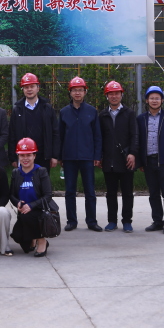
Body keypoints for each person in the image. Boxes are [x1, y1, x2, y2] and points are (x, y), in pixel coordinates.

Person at [59, 76, 103, 232]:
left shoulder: (92, 111)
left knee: (90, 191)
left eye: (80, 90)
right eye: (74, 90)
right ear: (70, 92)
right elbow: (60, 136)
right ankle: (71, 221)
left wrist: (97, 156)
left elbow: (97, 136)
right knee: (70, 191)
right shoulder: (64, 112)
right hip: (69, 157)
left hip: (87, 157)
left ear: (85, 92)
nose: (77, 93)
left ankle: (92, 221)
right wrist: (60, 157)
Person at [137, 86, 164, 235]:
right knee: (153, 194)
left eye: (157, 98)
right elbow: (139, 141)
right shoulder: (141, 119)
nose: (154, 101)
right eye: (151, 98)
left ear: (162, 100)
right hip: (149, 162)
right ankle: (157, 221)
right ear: (147, 100)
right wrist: (141, 162)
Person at [98, 81, 139, 233]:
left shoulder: (129, 113)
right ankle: (112, 221)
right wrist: (100, 156)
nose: (114, 96)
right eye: (111, 94)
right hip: (109, 160)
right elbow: (99, 137)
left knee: (127, 193)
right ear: (107, 96)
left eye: (116, 93)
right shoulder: (102, 115)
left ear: (121, 95)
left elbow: (135, 135)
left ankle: (127, 221)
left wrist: (133, 153)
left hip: (126, 160)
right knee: (111, 194)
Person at [9, 137, 56, 257]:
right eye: (22, 155)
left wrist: (31, 205)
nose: (25, 158)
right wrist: (17, 203)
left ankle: (42, 240)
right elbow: (11, 195)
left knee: (28, 216)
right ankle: (33, 238)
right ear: (18, 156)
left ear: (34, 156)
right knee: (17, 236)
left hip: (39, 210)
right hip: (23, 212)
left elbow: (48, 195)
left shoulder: (41, 171)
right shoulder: (16, 173)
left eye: (28, 155)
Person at [8, 72, 60, 173]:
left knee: (42, 181)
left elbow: (55, 133)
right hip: (24, 156)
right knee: (25, 181)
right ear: (23, 89)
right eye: (26, 87)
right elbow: (12, 135)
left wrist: (54, 155)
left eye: (32, 86)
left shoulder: (47, 108)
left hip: (43, 155)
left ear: (38, 88)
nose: (29, 89)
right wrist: (13, 157)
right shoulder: (17, 110)